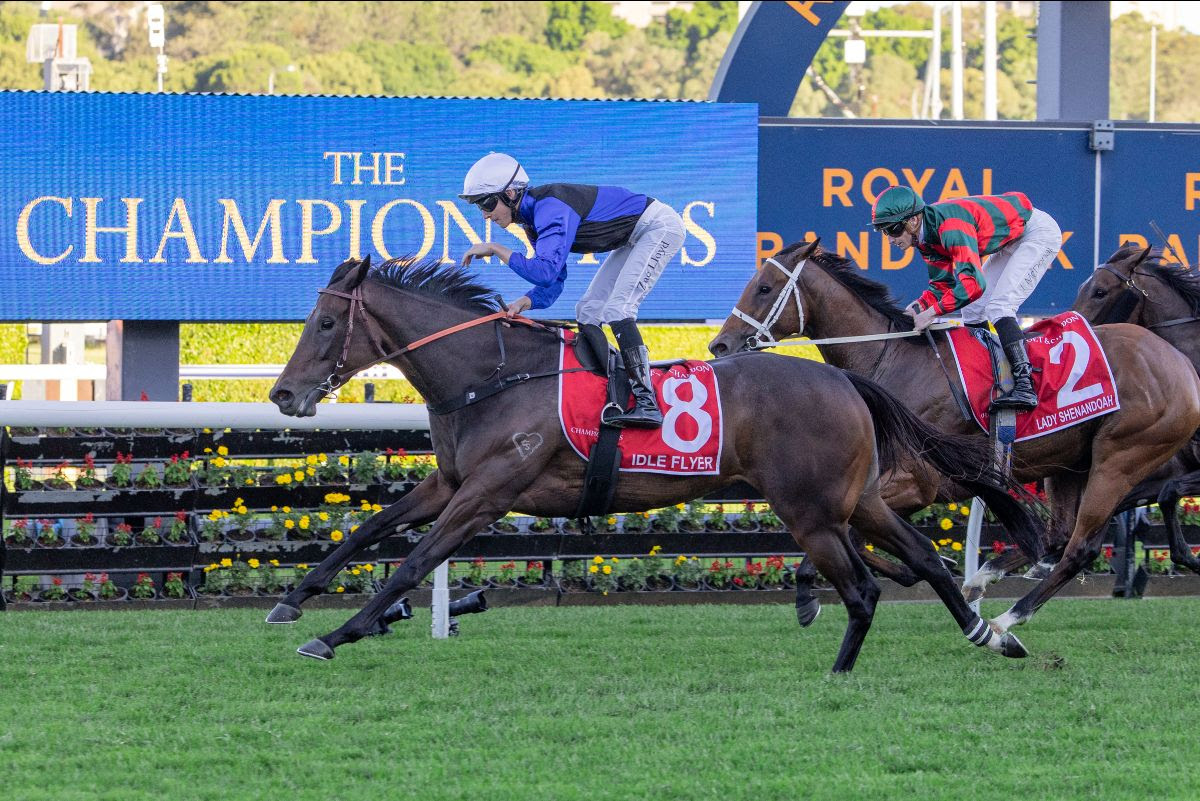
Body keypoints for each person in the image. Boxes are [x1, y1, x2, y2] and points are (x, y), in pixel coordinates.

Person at [458, 152, 685, 429]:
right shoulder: (532, 219)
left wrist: (496, 249)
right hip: (634, 236)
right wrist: (524, 302)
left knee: (618, 309)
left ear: (511, 193)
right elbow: (554, 279)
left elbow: (546, 271)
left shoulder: (550, 207)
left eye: (487, 203)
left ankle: (648, 404)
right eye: (480, 206)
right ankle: (614, 392)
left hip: (658, 227)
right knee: (587, 311)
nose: (485, 213)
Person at [870, 185, 1063, 411]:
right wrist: (917, 308)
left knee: (999, 307)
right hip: (1010, 240)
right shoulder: (924, 238)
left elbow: (973, 286)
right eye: (884, 231)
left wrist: (932, 312)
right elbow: (942, 286)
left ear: (913, 221)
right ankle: (988, 378)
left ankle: (1025, 386)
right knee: (972, 311)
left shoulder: (950, 227)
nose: (890, 239)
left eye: (892, 229)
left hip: (1036, 234)